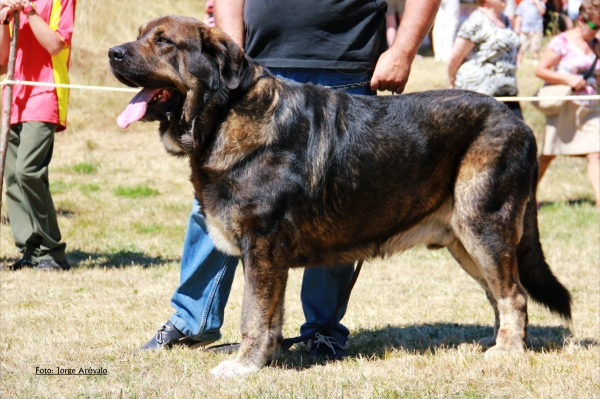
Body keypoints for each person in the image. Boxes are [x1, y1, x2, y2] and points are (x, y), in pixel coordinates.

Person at [139, 0, 441, 359]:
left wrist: (404, 50)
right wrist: (231, 53)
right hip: (256, 63)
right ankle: (193, 320)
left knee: (337, 200)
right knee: (216, 193)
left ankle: (323, 332)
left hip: (343, 65)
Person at [0, 0, 76, 271]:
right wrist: (5, 20)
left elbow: (55, 44)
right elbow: (1, 61)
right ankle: (29, 250)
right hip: (14, 97)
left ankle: (52, 251)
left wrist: (29, 11)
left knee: (27, 171)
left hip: (45, 93)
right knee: (11, 177)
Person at [535, 0, 600, 209]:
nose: (598, 31)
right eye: (595, 26)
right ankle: (527, 196)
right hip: (564, 106)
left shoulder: (597, 43)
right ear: (580, 20)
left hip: (589, 107)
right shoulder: (561, 41)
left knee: (596, 153)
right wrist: (569, 79)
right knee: (548, 154)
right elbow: (541, 70)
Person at [447, 0, 523, 119]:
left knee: (519, 134)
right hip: (479, 95)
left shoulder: (505, 19)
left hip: (507, 91)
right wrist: (452, 79)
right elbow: (455, 59)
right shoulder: (475, 21)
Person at [515, 0, 547, 64]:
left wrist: (537, 3)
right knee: (522, 46)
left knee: (536, 45)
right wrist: (517, 26)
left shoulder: (540, 3)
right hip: (525, 29)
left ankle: (535, 59)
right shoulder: (523, 3)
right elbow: (519, 16)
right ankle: (518, 61)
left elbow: (542, 12)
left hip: (537, 28)